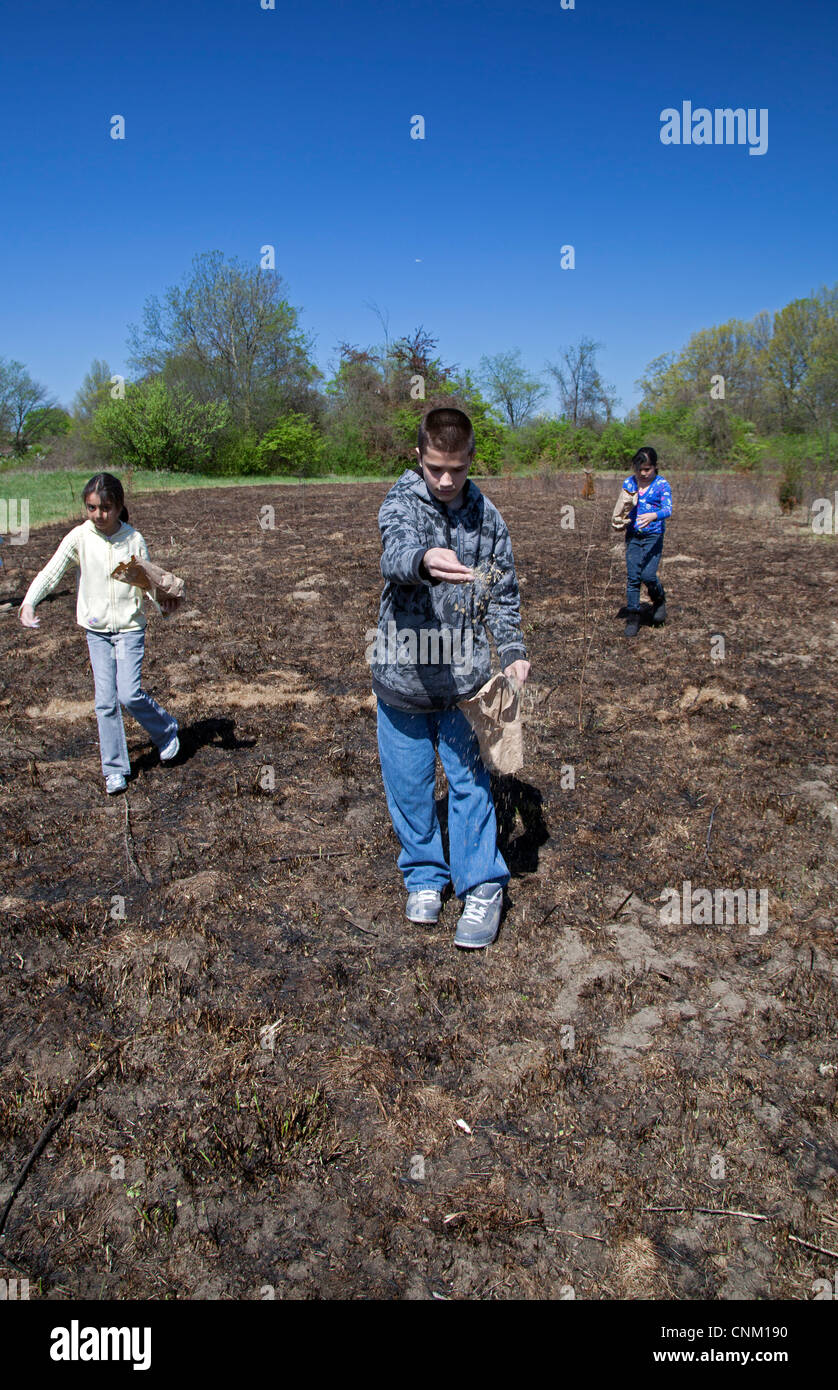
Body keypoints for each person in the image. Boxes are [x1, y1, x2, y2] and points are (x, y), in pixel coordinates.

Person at [369, 406, 530, 949]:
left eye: (456, 469)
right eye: (435, 467)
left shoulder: (489, 519)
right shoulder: (400, 502)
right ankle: (423, 875)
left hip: (465, 683)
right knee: (409, 786)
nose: (444, 480)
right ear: (418, 457)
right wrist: (422, 559)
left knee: (470, 783)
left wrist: (512, 650)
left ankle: (482, 885)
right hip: (402, 679)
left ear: (470, 460)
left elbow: (502, 593)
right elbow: (394, 553)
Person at [19, 472, 179, 794]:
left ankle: (166, 730)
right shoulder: (79, 537)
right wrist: (29, 602)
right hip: (97, 631)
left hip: (130, 629)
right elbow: (51, 573)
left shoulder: (133, 539)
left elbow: (147, 582)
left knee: (128, 694)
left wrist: (163, 602)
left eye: (105, 508)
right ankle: (114, 769)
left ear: (119, 507)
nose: (98, 515)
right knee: (105, 702)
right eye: (92, 508)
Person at [611, 446, 672, 638]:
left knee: (648, 575)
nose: (643, 473)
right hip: (633, 535)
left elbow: (668, 509)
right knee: (633, 577)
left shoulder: (662, 484)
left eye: (647, 469)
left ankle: (659, 599)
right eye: (639, 469)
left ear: (655, 467)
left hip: (654, 536)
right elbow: (622, 504)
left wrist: (654, 515)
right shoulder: (629, 483)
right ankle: (633, 616)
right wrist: (619, 517)